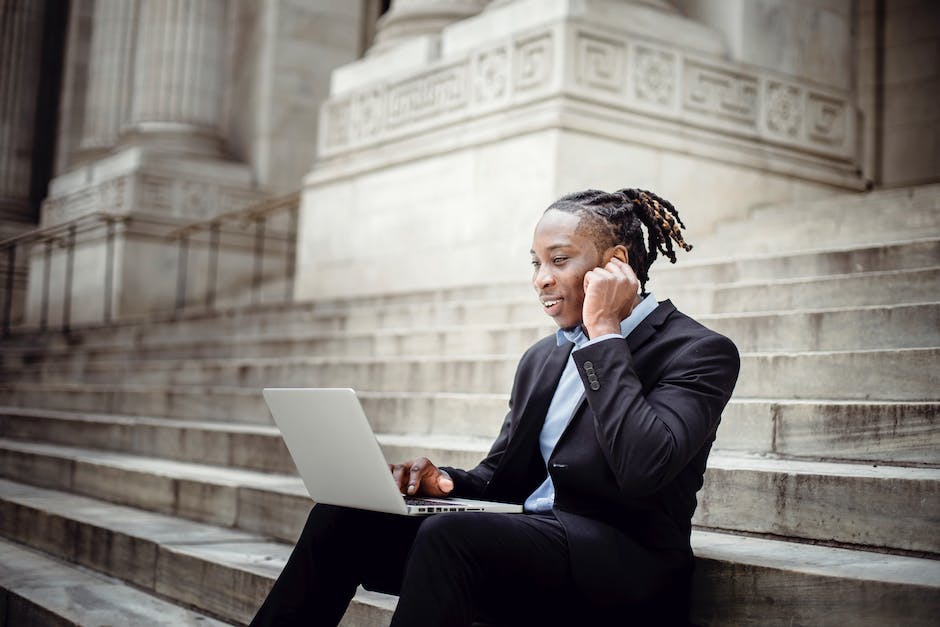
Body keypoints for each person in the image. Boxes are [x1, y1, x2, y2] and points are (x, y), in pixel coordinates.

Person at [250, 188, 740, 627]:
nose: (541, 280)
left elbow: (643, 466)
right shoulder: (542, 359)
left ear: (614, 263)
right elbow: (501, 478)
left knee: (450, 538)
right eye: (536, 263)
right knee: (344, 516)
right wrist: (439, 481)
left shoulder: (697, 351)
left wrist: (604, 334)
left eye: (560, 260)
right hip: (532, 546)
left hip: (625, 563)